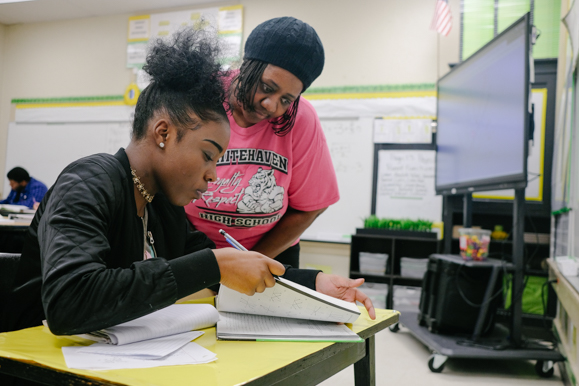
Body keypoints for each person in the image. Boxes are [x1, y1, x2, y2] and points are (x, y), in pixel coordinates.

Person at [0, 28, 374, 338]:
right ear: (162, 132)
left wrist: (315, 282)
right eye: (209, 155)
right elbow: (69, 305)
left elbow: (217, 265)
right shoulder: (87, 182)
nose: (214, 175)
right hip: (31, 362)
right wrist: (212, 263)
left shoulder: (159, 206)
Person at [186, 17, 338, 269]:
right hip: (190, 247)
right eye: (266, 87)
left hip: (269, 252)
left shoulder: (301, 118)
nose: (272, 106)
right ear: (247, 67)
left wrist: (252, 260)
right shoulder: (202, 94)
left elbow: (310, 207)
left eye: (286, 99)